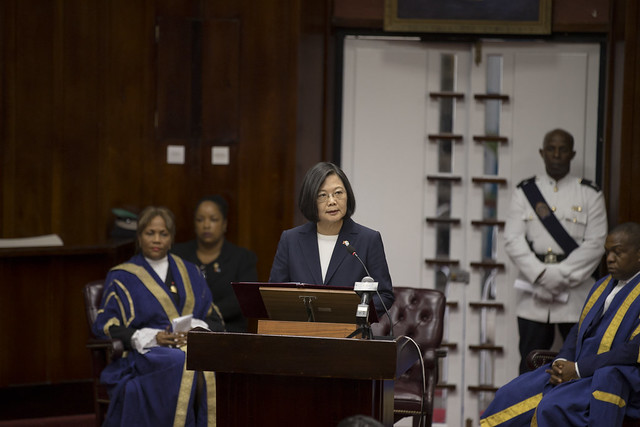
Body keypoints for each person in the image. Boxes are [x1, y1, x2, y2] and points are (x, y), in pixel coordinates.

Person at [480, 223, 640, 426]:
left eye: (618, 253)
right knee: (509, 394)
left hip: (607, 379)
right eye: (607, 252)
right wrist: (561, 361)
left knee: (550, 407)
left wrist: (578, 369)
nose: (609, 259)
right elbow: (578, 330)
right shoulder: (602, 285)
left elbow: (632, 351)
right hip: (576, 370)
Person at [92, 206, 224, 427]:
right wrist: (154, 338)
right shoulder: (122, 275)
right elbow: (106, 324)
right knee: (180, 360)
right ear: (139, 236)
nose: (157, 240)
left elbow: (214, 318)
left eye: (163, 234)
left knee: (207, 359)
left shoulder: (190, 271)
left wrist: (197, 330)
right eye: (150, 233)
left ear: (171, 238)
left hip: (192, 345)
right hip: (148, 353)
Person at [503, 128, 607, 373]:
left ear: (572, 154)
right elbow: (512, 239)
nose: (557, 154)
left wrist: (560, 275)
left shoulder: (590, 193)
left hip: (575, 292)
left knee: (576, 366)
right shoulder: (525, 191)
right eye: (551, 149)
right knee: (529, 365)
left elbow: (596, 243)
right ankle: (527, 411)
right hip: (533, 293)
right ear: (542, 152)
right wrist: (541, 275)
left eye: (563, 149)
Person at [269, 161, 395, 317]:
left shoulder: (368, 239)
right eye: (323, 195)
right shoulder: (291, 240)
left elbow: (384, 295)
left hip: (349, 333)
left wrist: (351, 313)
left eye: (338, 193)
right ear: (310, 200)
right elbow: (274, 294)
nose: (332, 201)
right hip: (301, 333)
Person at [172, 195, 258, 332]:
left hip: (228, 333)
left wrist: (208, 313)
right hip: (183, 331)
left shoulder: (242, 258)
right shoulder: (177, 255)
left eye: (213, 219)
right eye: (200, 220)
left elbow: (246, 299)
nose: (206, 225)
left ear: (224, 224)